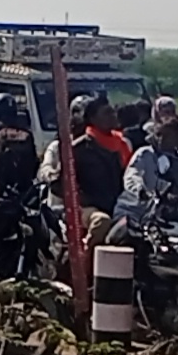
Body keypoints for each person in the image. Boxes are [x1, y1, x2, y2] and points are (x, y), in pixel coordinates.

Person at [72, 96, 128, 251]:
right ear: (93, 118)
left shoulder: (121, 145)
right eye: (106, 113)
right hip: (86, 208)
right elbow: (59, 183)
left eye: (113, 112)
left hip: (118, 205)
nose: (113, 116)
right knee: (102, 222)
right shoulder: (79, 148)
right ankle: (86, 260)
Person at [119, 118, 178, 224]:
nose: (161, 139)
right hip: (139, 209)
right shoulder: (145, 154)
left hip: (171, 214)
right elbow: (132, 175)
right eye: (159, 135)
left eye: (168, 136)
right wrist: (141, 191)